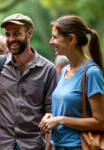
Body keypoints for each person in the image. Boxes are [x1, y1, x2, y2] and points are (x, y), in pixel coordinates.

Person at [0, 13, 57, 150]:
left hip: (33, 145)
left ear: (29, 33)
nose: (11, 39)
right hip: (1, 144)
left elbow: (51, 111)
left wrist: (49, 147)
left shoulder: (48, 69)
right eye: (8, 34)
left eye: (16, 33)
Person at [39, 15, 104, 149]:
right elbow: (69, 110)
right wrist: (52, 117)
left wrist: (61, 120)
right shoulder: (65, 71)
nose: (51, 41)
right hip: (57, 146)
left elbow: (101, 122)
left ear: (71, 39)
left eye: (55, 37)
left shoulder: (92, 73)